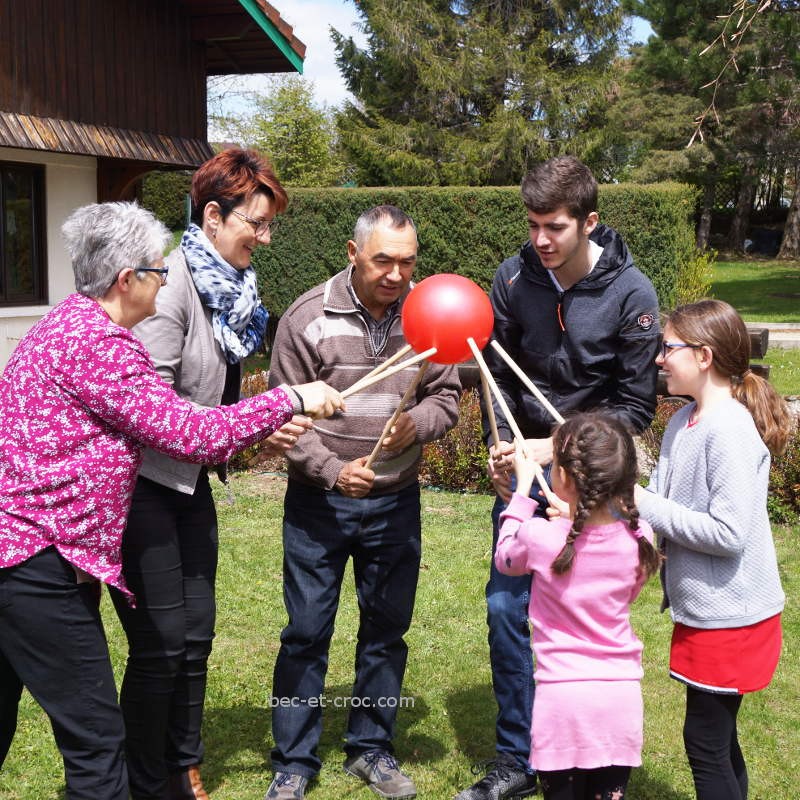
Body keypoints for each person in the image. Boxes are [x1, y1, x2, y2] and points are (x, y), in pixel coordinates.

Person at [0, 202, 342, 800]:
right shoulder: (100, 346)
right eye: (158, 270)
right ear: (125, 280)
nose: (166, 279)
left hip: (20, 555)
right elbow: (195, 435)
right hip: (33, 564)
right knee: (98, 743)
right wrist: (288, 398)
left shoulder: (64, 325)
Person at [457, 155, 661, 800]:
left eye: (555, 226)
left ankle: (597, 757)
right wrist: (501, 452)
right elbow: (492, 376)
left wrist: (559, 449)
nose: (540, 239)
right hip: (528, 477)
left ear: (590, 223)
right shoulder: (514, 278)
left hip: (595, 487)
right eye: (533, 223)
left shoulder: (634, 295)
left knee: (584, 623)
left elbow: (635, 408)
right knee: (506, 610)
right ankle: (521, 757)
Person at [108, 148, 307, 800]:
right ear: (213, 215)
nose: (267, 237)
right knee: (161, 644)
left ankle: (182, 765)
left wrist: (256, 433)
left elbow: (211, 410)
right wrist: (255, 421)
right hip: (140, 490)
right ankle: (144, 781)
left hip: (188, 484)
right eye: (258, 222)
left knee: (195, 636)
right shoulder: (168, 292)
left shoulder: (230, 292)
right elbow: (152, 413)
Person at [264, 205, 460, 800]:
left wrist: (418, 425)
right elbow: (283, 413)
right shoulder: (306, 317)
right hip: (318, 506)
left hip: (395, 503)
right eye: (384, 261)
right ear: (353, 255)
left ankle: (370, 748)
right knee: (305, 630)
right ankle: (294, 760)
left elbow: (446, 397)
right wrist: (330, 470)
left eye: (408, 262)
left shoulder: (431, 317)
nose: (398, 275)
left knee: (385, 629)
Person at [635, 299, 790, 800]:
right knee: (718, 741)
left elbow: (728, 534)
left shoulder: (728, 430)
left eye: (669, 347)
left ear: (703, 356)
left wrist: (640, 502)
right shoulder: (685, 421)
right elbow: (657, 499)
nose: (660, 358)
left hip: (733, 619)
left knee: (704, 743)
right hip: (708, 612)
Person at [495, 412, 660, 800]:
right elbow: (622, 586)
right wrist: (573, 520)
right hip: (620, 702)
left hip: (561, 703)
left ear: (563, 479)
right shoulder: (641, 537)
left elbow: (506, 557)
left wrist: (521, 495)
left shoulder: (540, 537)